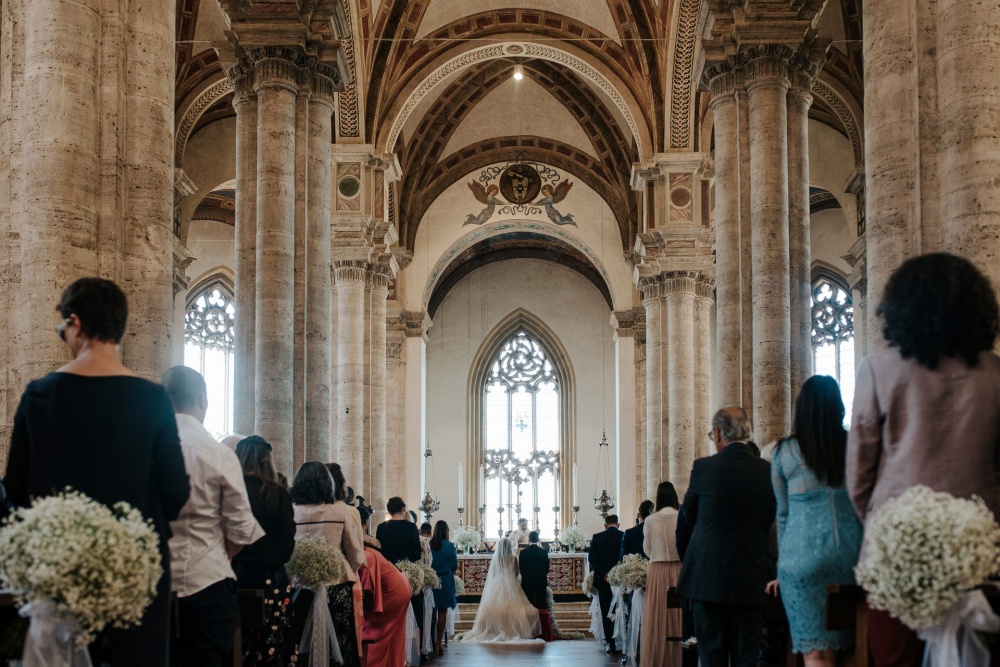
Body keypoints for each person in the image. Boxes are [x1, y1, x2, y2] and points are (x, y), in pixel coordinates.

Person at [3, 277, 190, 666]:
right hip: (137, 572)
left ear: (75, 323)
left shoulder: (40, 396)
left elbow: (17, 493)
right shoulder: (153, 399)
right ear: (119, 330)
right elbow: (175, 491)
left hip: (59, 569)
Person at [847, 253, 1000, 667]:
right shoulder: (996, 374)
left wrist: (888, 527)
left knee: (896, 658)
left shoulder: (878, 370)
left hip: (894, 551)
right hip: (981, 549)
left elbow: (859, 475)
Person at [163, 366, 265, 667]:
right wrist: (221, 555)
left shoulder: (146, 449)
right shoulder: (219, 453)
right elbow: (242, 528)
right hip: (208, 584)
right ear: (203, 400)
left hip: (154, 585)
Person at [767, 376, 863, 667]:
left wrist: (781, 570)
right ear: (839, 407)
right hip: (852, 555)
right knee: (853, 649)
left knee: (817, 655)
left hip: (801, 560)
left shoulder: (784, 452)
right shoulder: (855, 447)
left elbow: (782, 515)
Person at [676, 407, 776, 667]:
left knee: (712, 657)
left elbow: (688, 513)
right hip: (752, 577)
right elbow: (771, 515)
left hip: (709, 579)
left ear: (719, 433)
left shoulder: (705, 468)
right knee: (747, 658)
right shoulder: (766, 471)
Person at [291, 461, 366, 667]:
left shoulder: (291, 512)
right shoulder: (339, 512)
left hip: (300, 586)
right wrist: (343, 569)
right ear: (327, 484)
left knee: (300, 642)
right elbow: (356, 555)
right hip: (337, 585)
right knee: (341, 644)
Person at [232, 435, 298, 666]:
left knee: (238, 646)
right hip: (272, 580)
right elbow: (288, 545)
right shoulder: (278, 495)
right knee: (273, 644)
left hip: (236, 576)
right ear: (267, 461)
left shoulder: (232, 491)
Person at [358, 506, 411, 667]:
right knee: (392, 635)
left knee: (372, 630)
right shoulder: (370, 545)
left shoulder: (366, 553)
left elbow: (366, 591)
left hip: (393, 592)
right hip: (398, 586)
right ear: (366, 522)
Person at [462, 536, 542, 642]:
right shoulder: (513, 558)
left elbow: (493, 573)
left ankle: (493, 629)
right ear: (509, 547)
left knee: (494, 607)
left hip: (498, 583)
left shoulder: (497, 558)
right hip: (511, 582)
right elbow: (517, 573)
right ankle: (514, 629)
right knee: (517, 608)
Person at [643, 482, 682, 667]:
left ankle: (659, 658)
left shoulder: (651, 519)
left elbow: (647, 549)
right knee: (679, 613)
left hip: (658, 569)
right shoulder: (682, 515)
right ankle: (679, 657)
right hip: (679, 568)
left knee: (658, 613)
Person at [589, 514, 625, 654]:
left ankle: (610, 643)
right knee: (622, 610)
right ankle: (623, 639)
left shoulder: (597, 537)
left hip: (604, 581)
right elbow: (625, 556)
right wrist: (617, 573)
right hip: (621, 580)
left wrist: (604, 574)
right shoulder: (624, 535)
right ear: (618, 524)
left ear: (605, 525)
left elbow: (592, 559)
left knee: (606, 611)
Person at [429, 520, 458, 656]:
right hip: (445, 580)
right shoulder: (449, 546)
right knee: (442, 612)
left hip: (431, 579)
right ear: (446, 532)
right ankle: (438, 643)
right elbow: (454, 565)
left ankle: (428, 642)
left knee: (430, 611)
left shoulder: (430, 544)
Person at [376, 497, 422, 565]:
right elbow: (417, 554)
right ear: (403, 508)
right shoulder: (411, 527)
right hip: (407, 569)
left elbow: (379, 550)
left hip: (387, 568)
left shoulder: (381, 527)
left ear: (389, 511)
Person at [518, 530, 550, 610]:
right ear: (538, 540)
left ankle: (529, 622)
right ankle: (542, 622)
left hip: (527, 582)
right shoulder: (543, 552)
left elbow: (521, 568)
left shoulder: (523, 552)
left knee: (528, 606)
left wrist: (526, 577)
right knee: (541, 605)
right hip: (541, 581)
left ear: (528, 540)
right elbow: (547, 568)